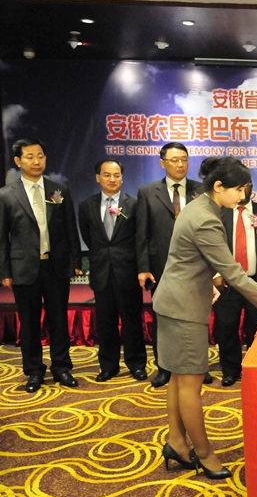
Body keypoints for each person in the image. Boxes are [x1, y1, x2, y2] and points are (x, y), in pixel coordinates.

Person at [153, 156, 257, 479]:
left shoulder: (198, 206)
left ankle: (176, 442)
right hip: (183, 309)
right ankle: (204, 455)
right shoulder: (207, 219)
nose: (243, 196)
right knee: (190, 382)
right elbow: (233, 273)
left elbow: (189, 258)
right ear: (219, 186)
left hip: (174, 301)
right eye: (240, 189)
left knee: (178, 378)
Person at [0, 138, 82, 393]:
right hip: (24, 268)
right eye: (30, 157)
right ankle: (34, 370)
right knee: (29, 322)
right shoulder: (6, 195)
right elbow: (2, 238)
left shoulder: (59, 190)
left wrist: (75, 261)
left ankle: (61, 367)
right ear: (18, 161)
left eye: (40, 156)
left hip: (55, 266)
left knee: (59, 319)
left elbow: (70, 228)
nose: (36, 161)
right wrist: (5, 271)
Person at [136, 142, 207, 388]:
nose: (180, 164)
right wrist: (143, 267)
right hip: (161, 267)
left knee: (196, 318)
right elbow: (142, 233)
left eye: (184, 159)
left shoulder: (201, 191)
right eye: (174, 160)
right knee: (164, 319)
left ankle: (198, 366)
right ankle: (164, 368)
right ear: (162, 163)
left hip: (196, 266)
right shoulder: (147, 191)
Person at [78, 159, 147, 382]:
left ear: (122, 178)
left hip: (128, 271)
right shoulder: (87, 205)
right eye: (107, 175)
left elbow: (140, 238)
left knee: (132, 321)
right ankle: (108, 366)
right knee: (105, 322)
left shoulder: (134, 204)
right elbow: (88, 236)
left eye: (117, 175)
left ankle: (136, 364)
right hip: (101, 272)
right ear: (98, 177)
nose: (112, 179)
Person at [212, 184, 257, 387]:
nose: (242, 192)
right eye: (238, 187)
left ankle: (255, 367)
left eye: (245, 187)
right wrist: (216, 274)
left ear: (251, 187)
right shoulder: (219, 213)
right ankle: (230, 370)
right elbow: (210, 246)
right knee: (226, 327)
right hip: (227, 281)